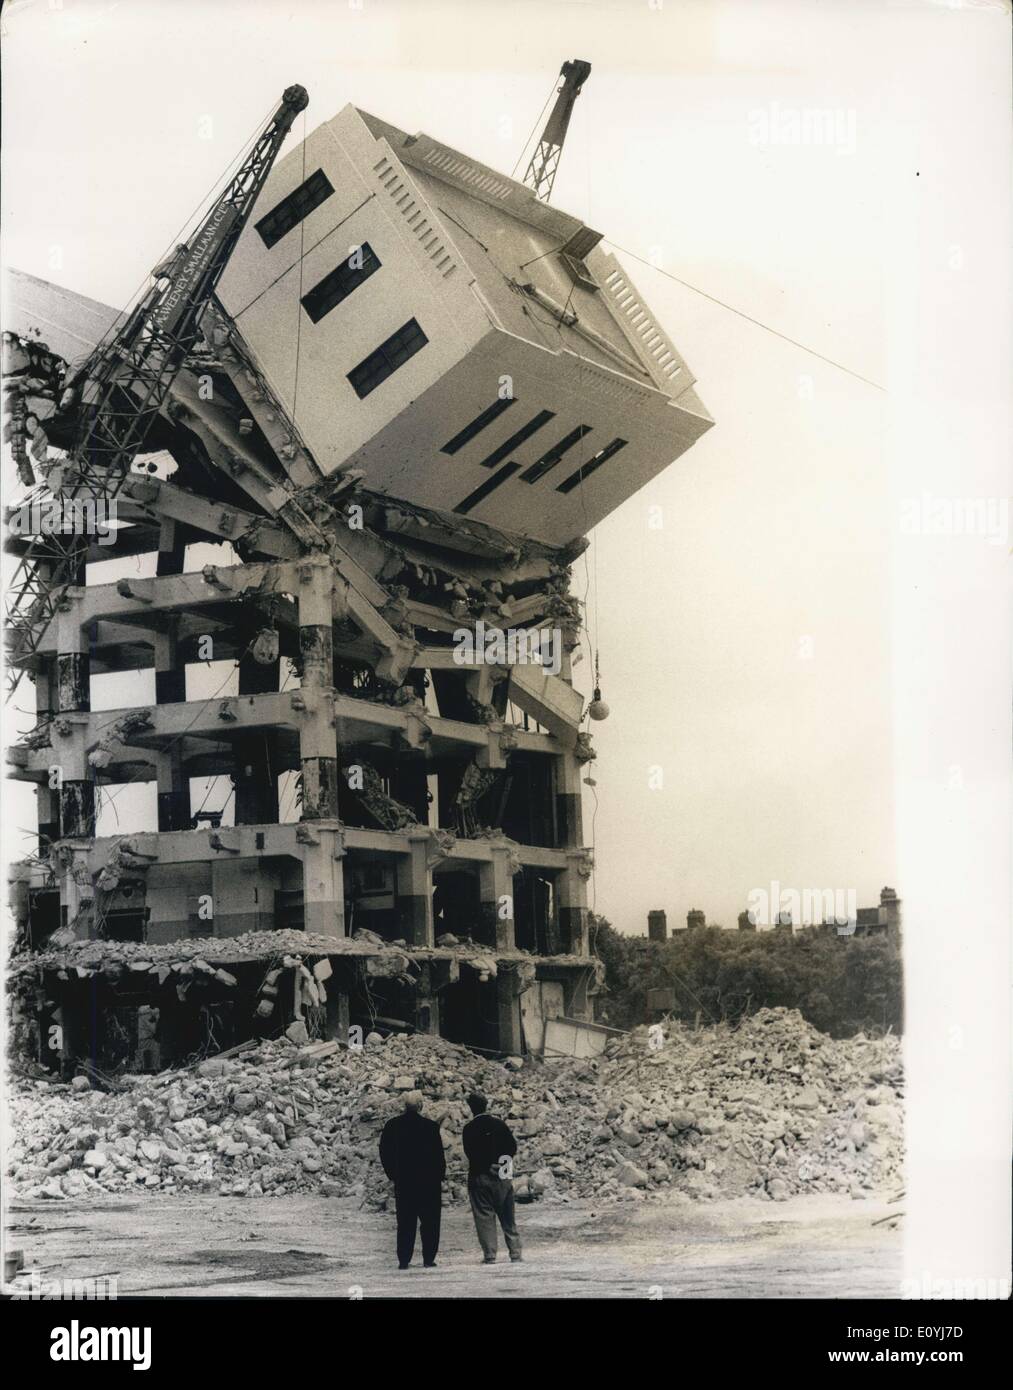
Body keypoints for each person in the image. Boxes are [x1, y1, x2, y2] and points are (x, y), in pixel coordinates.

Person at [378, 1091, 446, 1270]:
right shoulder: (431, 1127)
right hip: (428, 1183)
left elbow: (384, 1152)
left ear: (404, 1106)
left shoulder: (392, 1126)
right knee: (430, 1222)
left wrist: (393, 1174)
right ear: (421, 1105)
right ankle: (428, 1258)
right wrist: (439, 1177)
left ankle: (404, 1259)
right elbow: (439, 1156)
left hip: (405, 1182)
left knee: (405, 1222)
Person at [462, 1091, 523, 1265]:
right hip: (503, 1175)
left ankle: (490, 1255)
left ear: (471, 1108)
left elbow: (471, 1153)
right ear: (486, 1105)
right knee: (508, 1216)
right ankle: (515, 1252)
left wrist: (487, 1166)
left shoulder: (469, 1129)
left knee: (484, 1216)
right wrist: (503, 1167)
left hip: (480, 1177)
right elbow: (512, 1147)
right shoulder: (499, 1124)